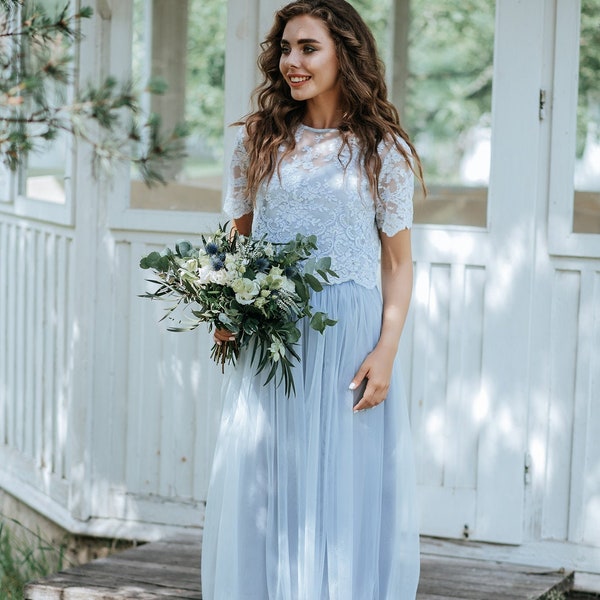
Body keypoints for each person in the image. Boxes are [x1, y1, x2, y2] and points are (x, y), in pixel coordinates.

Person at [201, 1, 424, 598]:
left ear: (345, 55)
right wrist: (225, 311)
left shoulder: (383, 152)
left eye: (309, 48)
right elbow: (236, 241)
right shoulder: (260, 141)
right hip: (272, 331)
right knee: (268, 478)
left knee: (337, 481)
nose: (291, 62)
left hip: (347, 337)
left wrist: (387, 349)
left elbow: (398, 265)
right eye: (286, 48)